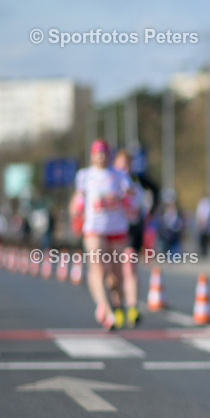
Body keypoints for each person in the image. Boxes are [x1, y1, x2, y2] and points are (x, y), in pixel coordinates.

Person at [71, 140, 132, 330]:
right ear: (92, 155)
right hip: (94, 227)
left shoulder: (119, 175)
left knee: (115, 274)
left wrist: (127, 200)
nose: (101, 156)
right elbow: (78, 199)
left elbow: (132, 197)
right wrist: (75, 211)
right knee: (97, 266)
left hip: (116, 229)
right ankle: (104, 307)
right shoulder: (85, 175)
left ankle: (116, 302)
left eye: (105, 153)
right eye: (98, 153)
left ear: (109, 155)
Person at [112, 149, 145, 328]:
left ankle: (133, 307)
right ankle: (117, 308)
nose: (125, 168)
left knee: (130, 266)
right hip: (113, 230)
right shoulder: (109, 180)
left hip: (132, 230)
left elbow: (152, 193)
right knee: (115, 272)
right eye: (122, 164)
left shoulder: (137, 181)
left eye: (128, 164)